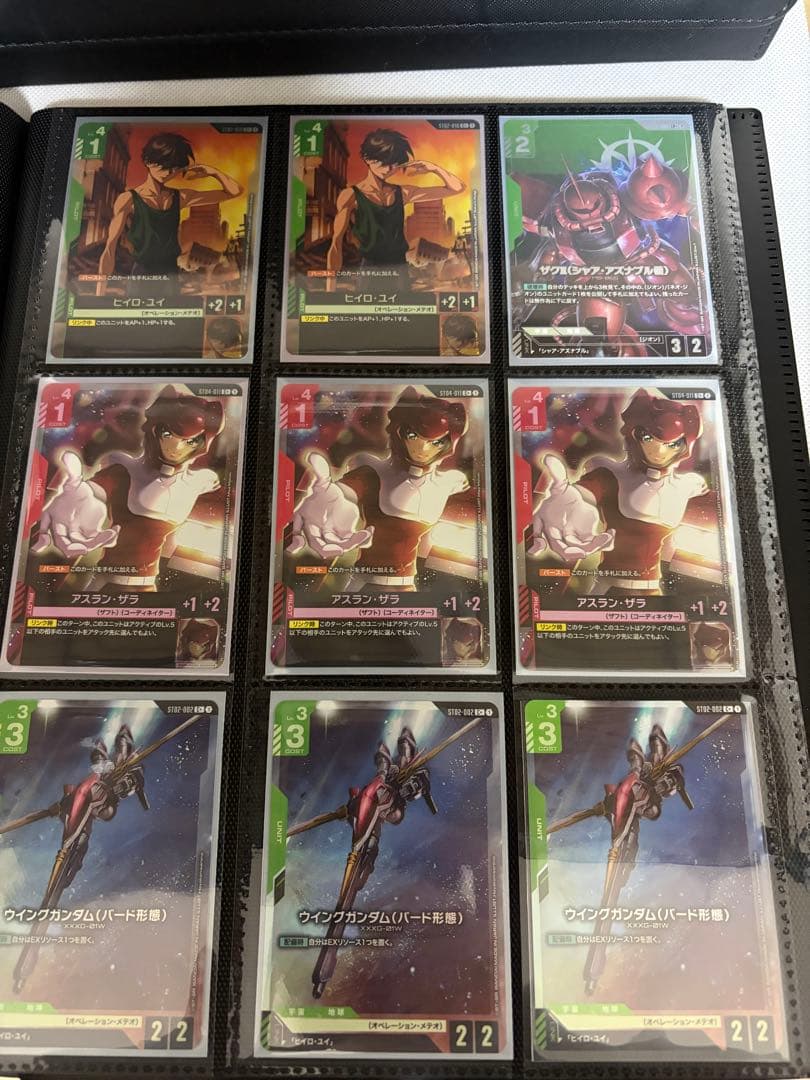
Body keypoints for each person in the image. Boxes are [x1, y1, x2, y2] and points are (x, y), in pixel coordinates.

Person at [326, 128, 465, 290]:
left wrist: (433, 168)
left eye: (394, 163)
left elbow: (457, 188)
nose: (389, 169)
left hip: (400, 269)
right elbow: (336, 245)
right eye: (383, 162)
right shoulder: (350, 195)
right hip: (370, 271)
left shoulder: (403, 193)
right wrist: (329, 290)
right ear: (367, 159)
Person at [98, 131, 243, 284]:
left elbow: (234, 192)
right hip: (141, 275)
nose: (168, 172)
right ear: (148, 161)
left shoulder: (180, 197)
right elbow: (110, 248)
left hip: (170, 276)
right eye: (164, 165)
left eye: (174, 168)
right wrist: (100, 289)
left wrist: (212, 172)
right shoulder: (128, 199)